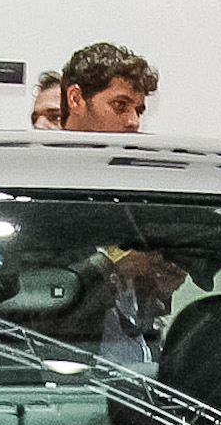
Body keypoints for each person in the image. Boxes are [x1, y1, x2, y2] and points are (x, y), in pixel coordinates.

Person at [46, 42, 193, 363]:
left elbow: (133, 317)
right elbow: (34, 303)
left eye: (138, 110)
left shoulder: (136, 190)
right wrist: (113, 267)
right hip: (60, 382)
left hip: (136, 377)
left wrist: (157, 287)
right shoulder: (39, 189)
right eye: (120, 105)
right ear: (75, 98)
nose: (133, 122)